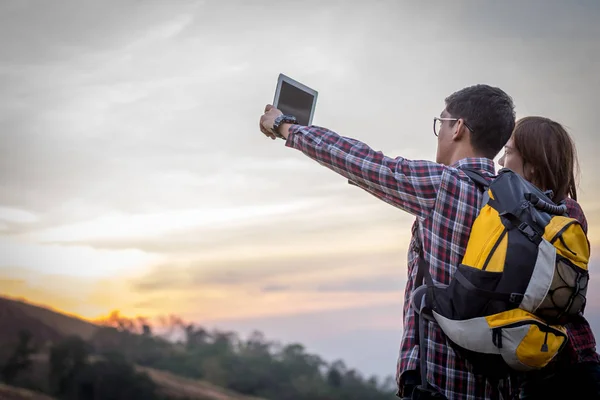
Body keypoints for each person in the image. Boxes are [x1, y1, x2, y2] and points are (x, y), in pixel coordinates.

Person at [259, 84, 517, 400]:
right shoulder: (512, 201)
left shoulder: (445, 185)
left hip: (441, 382)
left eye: (442, 122)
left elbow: (362, 161)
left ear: (458, 128)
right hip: (497, 384)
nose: (439, 133)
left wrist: (286, 126)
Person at [498, 116, 600, 400]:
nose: (499, 163)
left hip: (568, 367)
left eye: (507, 152)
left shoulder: (565, 212)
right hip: (538, 369)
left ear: (532, 165)